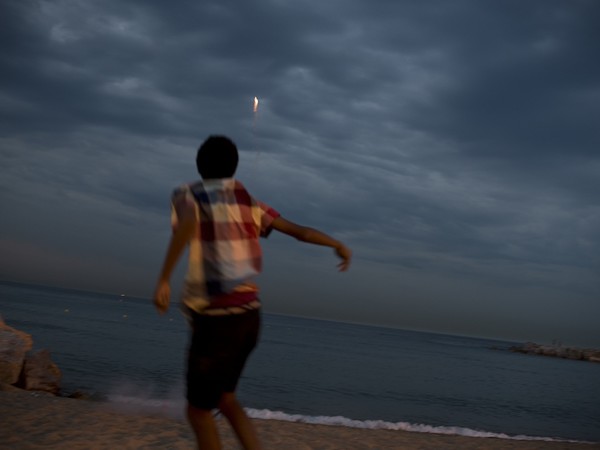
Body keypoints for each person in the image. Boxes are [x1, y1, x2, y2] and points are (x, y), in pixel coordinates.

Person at [153, 135, 351, 450]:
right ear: (234, 168)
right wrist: (336, 244)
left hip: (216, 319)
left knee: (198, 411)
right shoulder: (250, 204)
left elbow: (189, 223)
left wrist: (163, 279)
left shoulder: (186, 193)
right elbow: (299, 232)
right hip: (250, 317)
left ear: (199, 165)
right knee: (226, 399)